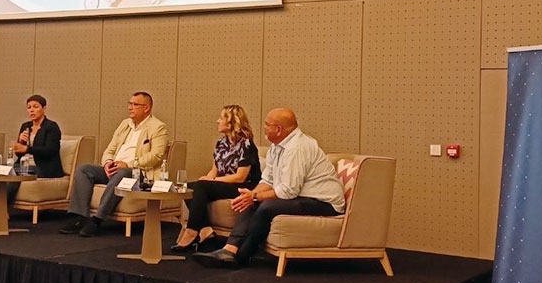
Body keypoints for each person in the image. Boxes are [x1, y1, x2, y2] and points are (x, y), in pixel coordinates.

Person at [192, 108, 345, 268]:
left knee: (266, 207)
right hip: (302, 196)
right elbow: (268, 180)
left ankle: (241, 258)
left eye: (267, 125)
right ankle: (229, 250)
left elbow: (288, 191)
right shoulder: (276, 147)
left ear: (278, 129)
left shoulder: (297, 148)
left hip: (324, 202)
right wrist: (251, 195)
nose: (264, 128)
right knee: (251, 201)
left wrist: (255, 196)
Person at [59, 91, 168, 236]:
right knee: (84, 169)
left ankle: (97, 220)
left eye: (135, 104)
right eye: (129, 103)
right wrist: (108, 163)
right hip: (115, 168)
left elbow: (156, 156)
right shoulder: (125, 124)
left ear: (146, 108)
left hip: (138, 173)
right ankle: (80, 217)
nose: (130, 107)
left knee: (123, 173)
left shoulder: (158, 127)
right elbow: (110, 149)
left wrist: (128, 164)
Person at [171, 104, 261, 253]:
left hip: (244, 186)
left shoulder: (246, 144)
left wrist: (211, 181)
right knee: (188, 187)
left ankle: (192, 231)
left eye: (221, 118)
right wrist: (207, 178)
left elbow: (240, 177)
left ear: (231, 122)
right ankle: (206, 230)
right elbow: (214, 170)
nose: (217, 121)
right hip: (225, 183)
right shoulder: (221, 143)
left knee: (202, 186)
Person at [0, 94, 64, 222]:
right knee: (3, 171)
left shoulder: (51, 127)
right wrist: (21, 143)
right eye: (29, 107)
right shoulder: (26, 126)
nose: (31, 110)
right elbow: (19, 155)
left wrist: (27, 148)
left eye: (35, 107)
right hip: (25, 164)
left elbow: (50, 151)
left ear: (44, 108)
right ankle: (1, 211)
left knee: (16, 172)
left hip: (45, 167)